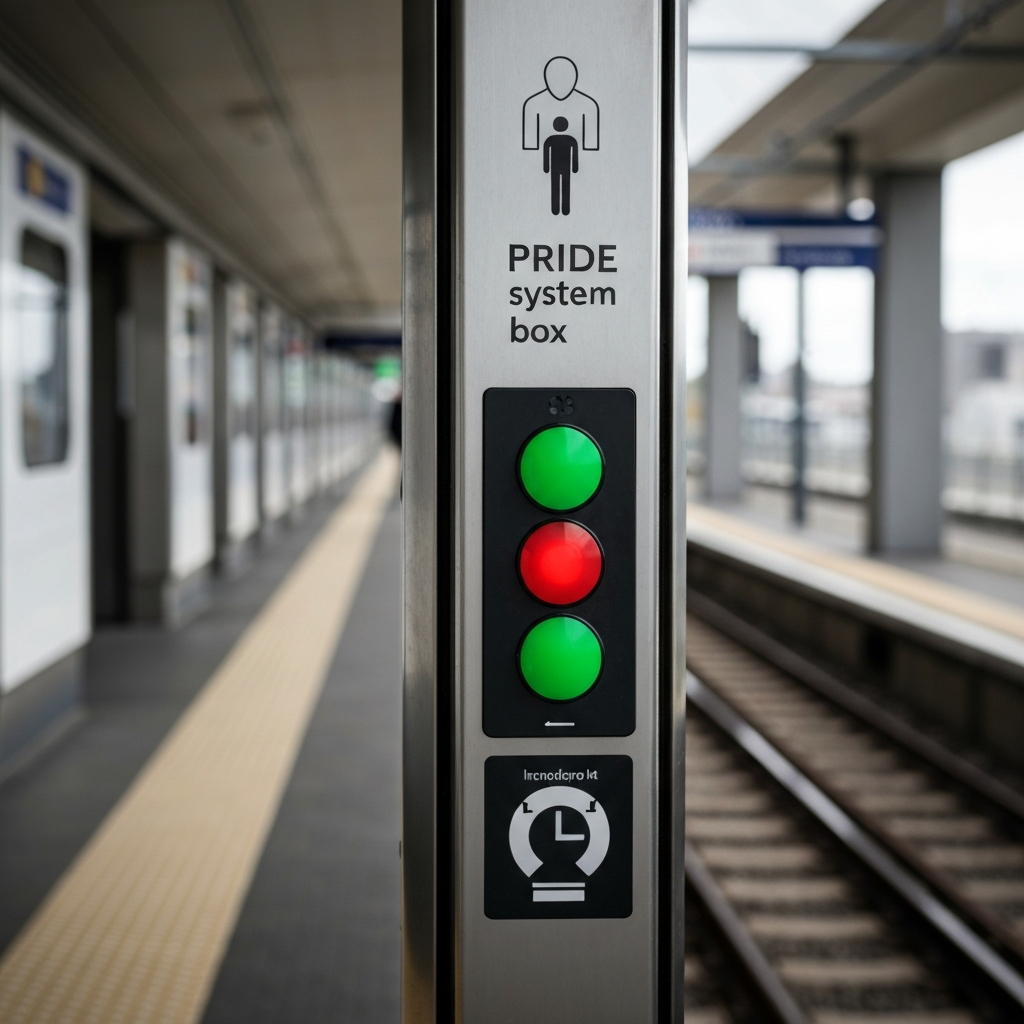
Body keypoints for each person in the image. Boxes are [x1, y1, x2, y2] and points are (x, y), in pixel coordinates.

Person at [543, 117, 578, 216]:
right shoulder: (571, 139)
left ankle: (556, 209)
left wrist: (546, 168)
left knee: (555, 186)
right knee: (565, 186)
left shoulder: (550, 139)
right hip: (566, 167)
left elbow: (546, 153)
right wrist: (575, 168)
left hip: (555, 167)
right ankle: (565, 209)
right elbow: (575, 154)